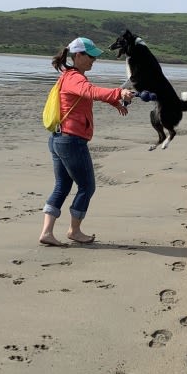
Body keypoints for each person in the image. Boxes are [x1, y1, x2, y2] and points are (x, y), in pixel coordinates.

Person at [39, 37, 134, 246]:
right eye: (90, 56)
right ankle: (74, 231)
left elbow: (86, 96)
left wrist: (113, 101)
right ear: (78, 56)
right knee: (87, 187)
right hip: (71, 141)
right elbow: (89, 91)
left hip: (58, 138)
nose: (94, 60)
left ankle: (47, 233)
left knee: (62, 185)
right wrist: (118, 92)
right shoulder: (74, 78)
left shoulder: (70, 76)